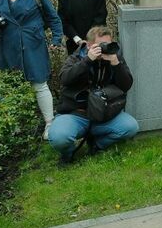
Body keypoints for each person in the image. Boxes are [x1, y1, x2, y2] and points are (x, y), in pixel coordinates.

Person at [0, 0, 63, 138]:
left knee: (39, 83)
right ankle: (14, 126)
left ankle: (49, 123)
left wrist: (57, 39)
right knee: (10, 85)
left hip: (32, 43)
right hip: (8, 44)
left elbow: (53, 17)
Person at [48, 26, 139, 163]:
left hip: (103, 113)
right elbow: (65, 79)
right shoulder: (77, 58)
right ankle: (68, 153)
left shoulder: (114, 58)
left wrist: (116, 64)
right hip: (76, 114)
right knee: (59, 138)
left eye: (107, 44)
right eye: (101, 45)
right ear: (89, 45)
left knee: (131, 127)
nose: (104, 48)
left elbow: (126, 86)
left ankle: (97, 144)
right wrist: (87, 61)